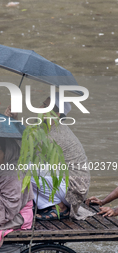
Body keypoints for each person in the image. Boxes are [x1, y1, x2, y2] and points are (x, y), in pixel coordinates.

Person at [5, 92, 91, 220]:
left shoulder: (56, 133)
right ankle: (45, 203)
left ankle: (61, 207)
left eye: (45, 106)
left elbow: (25, 149)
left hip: (74, 190)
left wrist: (13, 121)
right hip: (62, 181)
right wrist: (13, 119)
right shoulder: (45, 127)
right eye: (43, 104)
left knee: (24, 167)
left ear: (56, 115)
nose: (39, 108)